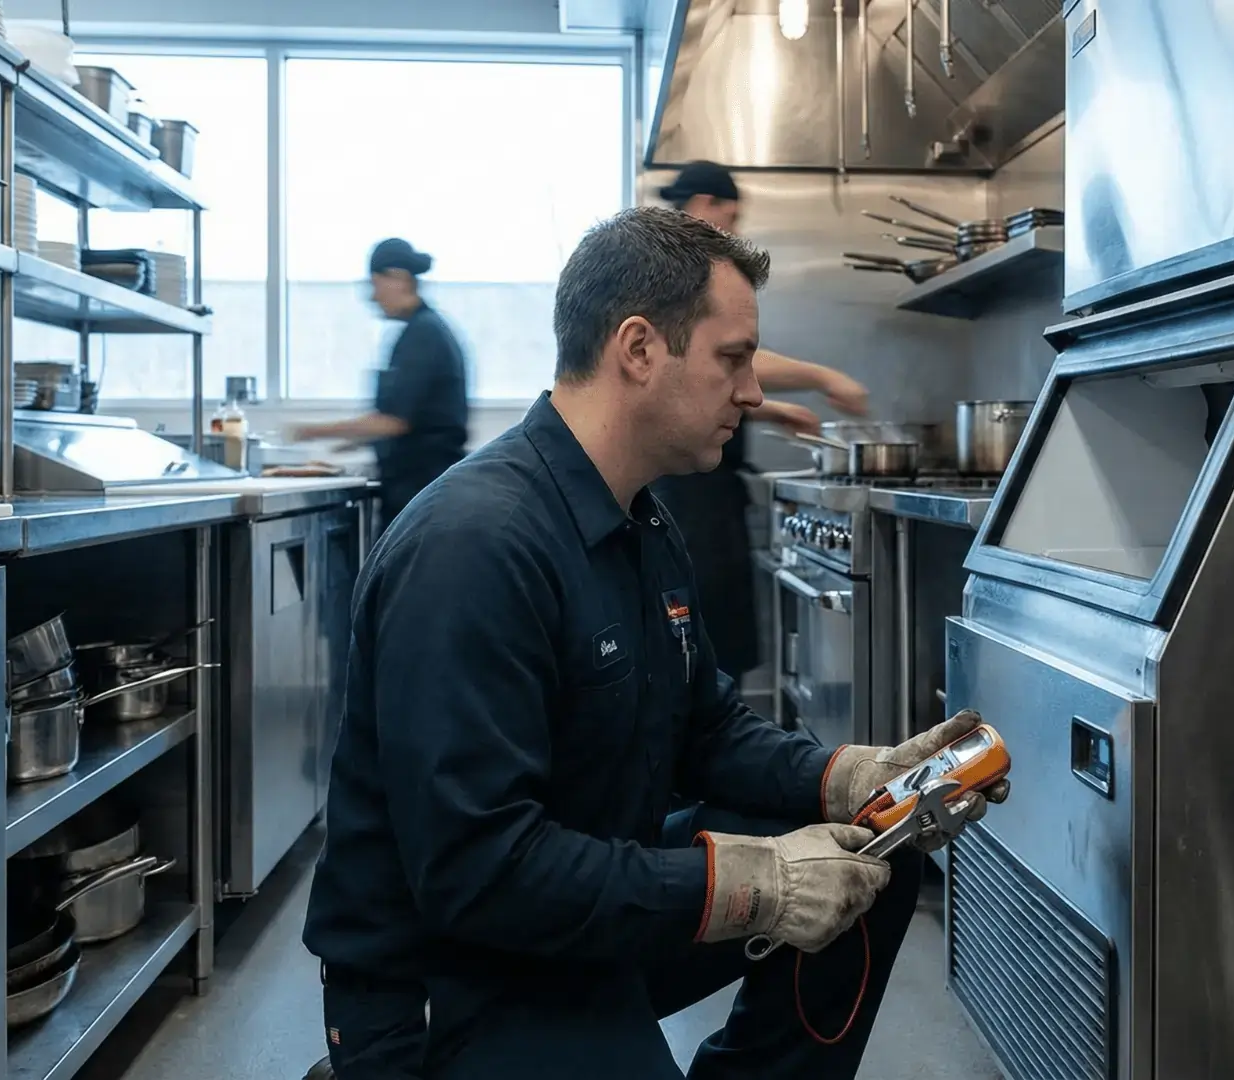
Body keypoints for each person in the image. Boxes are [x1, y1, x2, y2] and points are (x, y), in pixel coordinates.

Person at [302, 206, 1008, 1079]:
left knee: (873, 854)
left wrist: (848, 778)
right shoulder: (476, 549)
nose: (752, 394)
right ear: (639, 350)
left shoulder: (641, 523)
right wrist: (751, 884)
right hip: (456, 971)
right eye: (733, 358)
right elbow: (478, 872)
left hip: (575, 915)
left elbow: (705, 728)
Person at [652, 160, 871, 681]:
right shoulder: (685, 267)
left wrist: (768, 408)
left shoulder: (679, 264)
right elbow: (724, 353)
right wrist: (823, 377)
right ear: (705, 206)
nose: (737, 228)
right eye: (732, 214)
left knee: (711, 634)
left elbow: (699, 375)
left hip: (701, 488)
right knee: (706, 639)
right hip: (690, 489)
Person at [292, 238, 469, 528]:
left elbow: (394, 421)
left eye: (375, 285)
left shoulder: (423, 336)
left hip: (421, 488)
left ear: (397, 279)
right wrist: (350, 443)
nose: (372, 297)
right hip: (416, 486)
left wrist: (310, 432)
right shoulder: (420, 331)